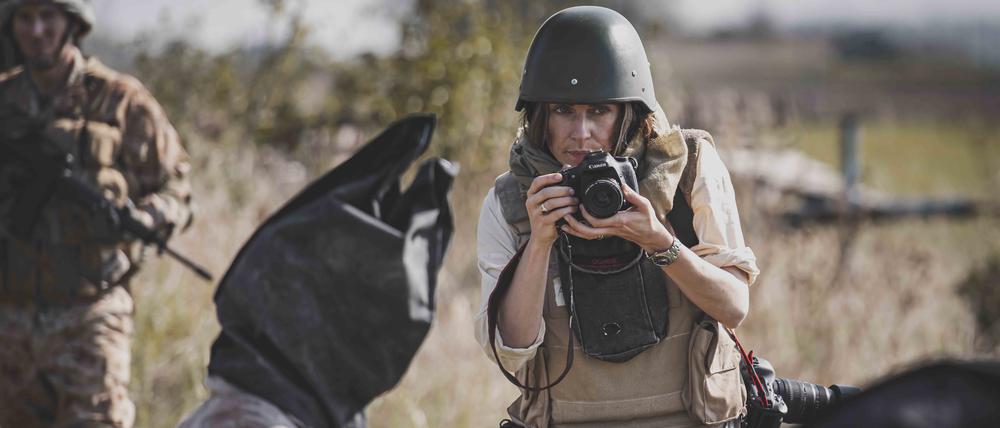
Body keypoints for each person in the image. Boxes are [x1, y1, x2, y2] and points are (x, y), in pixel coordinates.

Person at [475, 6, 760, 427]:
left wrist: (659, 243)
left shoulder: (687, 172)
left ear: (629, 113)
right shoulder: (513, 200)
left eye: (599, 111)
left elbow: (733, 307)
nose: (581, 132)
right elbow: (512, 350)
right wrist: (539, 242)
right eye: (563, 111)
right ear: (538, 116)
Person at [0, 1, 192, 427]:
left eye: (48, 17)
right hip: (9, 320)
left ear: (73, 23)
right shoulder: (5, 100)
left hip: (89, 316)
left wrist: (146, 217)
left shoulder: (119, 101)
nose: (36, 31)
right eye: (25, 19)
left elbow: (176, 186)